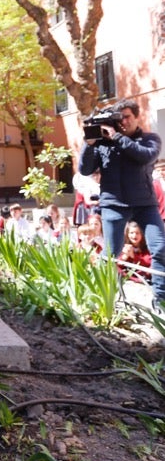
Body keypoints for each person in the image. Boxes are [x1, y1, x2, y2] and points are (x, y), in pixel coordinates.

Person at [79, 98, 165, 308]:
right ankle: (106, 296)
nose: (123, 122)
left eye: (126, 117)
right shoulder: (103, 143)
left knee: (160, 247)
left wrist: (117, 137)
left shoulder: (149, 139)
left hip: (145, 204)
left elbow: (145, 156)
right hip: (114, 204)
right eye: (119, 119)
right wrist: (89, 144)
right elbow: (85, 169)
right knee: (111, 253)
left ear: (136, 117)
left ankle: (160, 300)